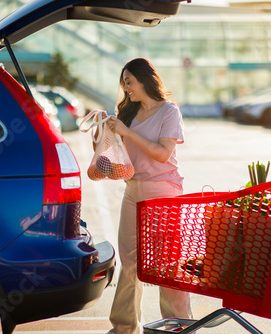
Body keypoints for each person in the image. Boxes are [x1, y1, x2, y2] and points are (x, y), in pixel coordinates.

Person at [105, 58, 192, 334]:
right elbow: (117, 162)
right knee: (129, 264)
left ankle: (178, 325)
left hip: (163, 193)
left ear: (145, 79)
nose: (126, 88)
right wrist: (105, 137)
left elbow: (163, 153)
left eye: (129, 81)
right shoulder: (126, 114)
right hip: (133, 191)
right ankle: (124, 327)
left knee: (167, 264)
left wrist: (127, 132)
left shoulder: (169, 111)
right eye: (124, 83)